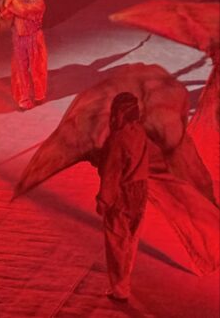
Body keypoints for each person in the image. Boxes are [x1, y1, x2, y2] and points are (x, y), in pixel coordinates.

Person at [96, 92, 149, 303]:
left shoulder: (117, 139)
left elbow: (112, 173)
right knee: (131, 239)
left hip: (122, 194)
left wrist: (103, 200)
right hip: (140, 191)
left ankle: (120, 288)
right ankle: (125, 279)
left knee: (117, 241)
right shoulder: (140, 131)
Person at [0, 0, 47, 110]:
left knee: (37, 68)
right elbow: (7, 14)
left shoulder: (39, 3)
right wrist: (3, 3)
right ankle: (24, 99)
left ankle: (39, 94)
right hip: (19, 39)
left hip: (34, 39)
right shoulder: (19, 1)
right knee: (20, 70)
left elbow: (24, 10)